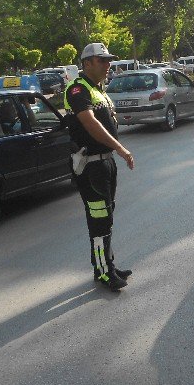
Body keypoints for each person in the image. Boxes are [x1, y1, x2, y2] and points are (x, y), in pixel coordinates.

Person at [63, 42, 136, 291]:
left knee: (107, 217)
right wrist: (121, 148)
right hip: (91, 166)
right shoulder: (77, 90)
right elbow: (90, 123)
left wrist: (114, 153)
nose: (108, 65)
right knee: (99, 220)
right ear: (87, 63)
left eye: (109, 60)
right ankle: (104, 273)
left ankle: (107, 265)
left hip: (106, 164)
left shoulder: (98, 90)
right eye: (102, 60)